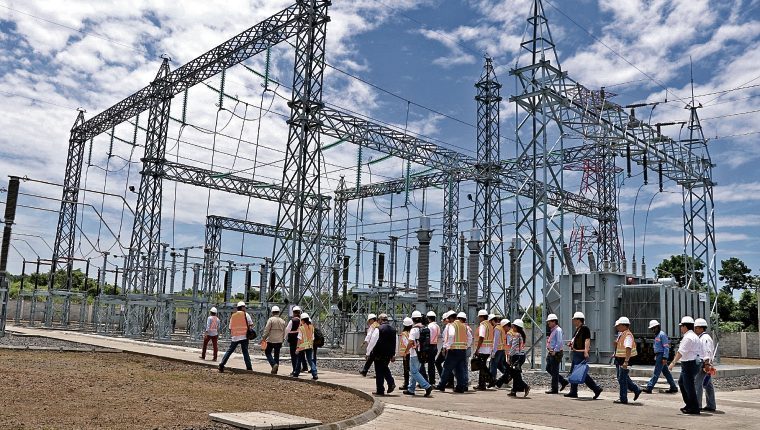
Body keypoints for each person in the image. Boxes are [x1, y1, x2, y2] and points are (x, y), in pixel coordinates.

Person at [565, 311, 603, 399]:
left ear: (579, 320)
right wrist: (572, 344)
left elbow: (587, 340)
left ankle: (596, 388)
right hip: (576, 352)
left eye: (574, 319)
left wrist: (586, 351)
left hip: (580, 352)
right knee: (575, 372)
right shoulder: (578, 329)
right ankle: (573, 391)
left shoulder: (584, 328)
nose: (573, 321)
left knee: (580, 373)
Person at [668, 316, 701, 415]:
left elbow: (680, 352)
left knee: (689, 386)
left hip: (689, 364)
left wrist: (673, 363)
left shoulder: (688, 337)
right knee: (682, 383)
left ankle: (694, 408)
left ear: (685, 326)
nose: (681, 328)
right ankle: (689, 405)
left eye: (681, 326)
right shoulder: (694, 336)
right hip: (692, 363)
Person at [436, 311, 471, 393]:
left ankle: (441, 385)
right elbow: (470, 337)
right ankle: (460, 387)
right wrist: (466, 346)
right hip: (462, 351)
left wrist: (447, 346)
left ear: (451, 318)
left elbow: (451, 335)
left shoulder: (452, 325)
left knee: (446, 367)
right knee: (460, 369)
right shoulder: (464, 326)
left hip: (453, 350)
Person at [642, 319, 678, 394]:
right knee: (666, 372)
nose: (653, 330)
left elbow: (666, 347)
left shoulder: (662, 335)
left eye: (653, 328)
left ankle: (649, 387)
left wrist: (665, 357)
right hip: (659, 355)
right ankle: (673, 387)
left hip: (661, 356)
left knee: (656, 372)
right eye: (652, 329)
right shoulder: (657, 335)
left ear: (657, 327)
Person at [403, 312, 434, 396]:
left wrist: (406, 351)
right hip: (423, 353)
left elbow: (410, 342)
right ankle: (411, 389)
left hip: (415, 353)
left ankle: (426, 386)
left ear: (413, 319)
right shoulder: (424, 328)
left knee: (413, 371)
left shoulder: (414, 329)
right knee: (415, 371)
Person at [612, 317, 641, 404]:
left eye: (618, 325)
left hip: (625, 360)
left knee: (622, 379)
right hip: (619, 359)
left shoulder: (627, 335)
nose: (617, 327)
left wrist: (626, 361)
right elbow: (619, 346)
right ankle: (636, 389)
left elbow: (628, 348)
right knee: (622, 377)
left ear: (624, 325)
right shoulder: (622, 333)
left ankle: (623, 398)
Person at [366, 314, 397, 396]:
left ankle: (383, 388)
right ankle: (388, 384)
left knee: (379, 371)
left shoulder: (378, 329)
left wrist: (368, 353)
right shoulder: (393, 330)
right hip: (388, 354)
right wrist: (394, 354)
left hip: (379, 353)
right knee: (384, 368)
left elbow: (373, 341)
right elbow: (395, 342)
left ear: (380, 320)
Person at [218, 301, 253, 372]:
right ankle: (249, 367)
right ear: (242, 307)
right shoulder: (246, 314)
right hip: (244, 336)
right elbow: (251, 324)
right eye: (244, 307)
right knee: (245, 352)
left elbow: (230, 327)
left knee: (229, 351)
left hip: (235, 337)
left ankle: (222, 364)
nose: (245, 308)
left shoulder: (233, 316)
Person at [694, 318, 717, 412]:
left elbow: (707, 351)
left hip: (703, 364)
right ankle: (711, 405)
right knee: (708, 385)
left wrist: (706, 364)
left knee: (698, 384)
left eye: (696, 328)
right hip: (706, 364)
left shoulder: (704, 338)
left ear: (700, 328)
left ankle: (697, 405)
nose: (695, 330)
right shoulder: (704, 337)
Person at [506, 318, 530, 397]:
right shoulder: (522, 335)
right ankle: (514, 391)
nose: (512, 328)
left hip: (517, 356)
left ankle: (525, 386)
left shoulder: (516, 335)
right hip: (521, 356)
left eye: (513, 326)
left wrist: (509, 356)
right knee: (516, 373)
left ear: (517, 327)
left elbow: (513, 347)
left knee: (515, 374)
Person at [545, 313, 568, 394]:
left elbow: (559, 342)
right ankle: (562, 381)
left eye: (549, 322)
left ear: (554, 322)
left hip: (556, 352)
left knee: (554, 370)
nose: (548, 323)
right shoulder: (553, 330)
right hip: (551, 352)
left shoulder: (558, 330)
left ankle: (554, 389)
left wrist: (555, 351)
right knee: (548, 368)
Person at [262, 305, 286, 374]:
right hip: (279, 341)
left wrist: (264, 338)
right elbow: (284, 332)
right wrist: (283, 340)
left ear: (272, 312)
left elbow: (267, 330)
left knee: (267, 352)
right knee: (276, 355)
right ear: (278, 312)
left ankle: (273, 365)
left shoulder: (271, 320)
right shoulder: (283, 321)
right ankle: (275, 370)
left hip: (271, 340)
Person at [293, 312, 318, 380]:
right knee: (310, 360)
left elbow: (299, 338)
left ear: (303, 320)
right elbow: (313, 338)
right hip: (309, 345)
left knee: (299, 359)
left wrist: (297, 347)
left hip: (302, 346)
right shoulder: (312, 327)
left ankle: (296, 373)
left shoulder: (301, 328)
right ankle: (315, 374)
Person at [474, 309, 494, 390]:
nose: (479, 318)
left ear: (482, 317)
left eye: (479, 317)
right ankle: (482, 384)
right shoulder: (490, 325)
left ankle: (491, 380)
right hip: (488, 349)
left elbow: (481, 337)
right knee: (482, 366)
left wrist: (477, 349)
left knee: (482, 366)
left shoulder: (483, 325)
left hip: (482, 349)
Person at [284, 305, 303, 376]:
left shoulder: (292, 321)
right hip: (301, 339)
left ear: (293, 313)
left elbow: (287, 330)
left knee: (293, 355)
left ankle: (295, 369)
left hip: (293, 339)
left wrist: (284, 338)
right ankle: (298, 368)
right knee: (299, 354)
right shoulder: (302, 320)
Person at [494, 318, 512, 388]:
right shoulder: (511, 332)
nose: (503, 329)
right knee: (504, 367)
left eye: (504, 327)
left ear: (506, 326)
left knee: (508, 369)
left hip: (510, 354)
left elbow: (509, 345)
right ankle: (505, 381)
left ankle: (502, 382)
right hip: (505, 351)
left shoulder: (509, 333)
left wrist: (508, 357)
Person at [435, 311, 452, 380]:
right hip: (449, 347)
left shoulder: (448, 327)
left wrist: (444, 349)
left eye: (443, 320)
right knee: (449, 365)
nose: (443, 322)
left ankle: (445, 379)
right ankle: (448, 380)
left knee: (438, 362)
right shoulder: (451, 326)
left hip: (446, 347)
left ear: (446, 319)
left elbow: (446, 339)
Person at [426, 310, 440, 386]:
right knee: (432, 364)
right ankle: (432, 381)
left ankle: (430, 381)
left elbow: (428, 337)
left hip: (430, 346)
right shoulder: (437, 326)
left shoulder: (429, 326)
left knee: (429, 365)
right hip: (435, 346)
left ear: (428, 318)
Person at [399, 317, 413, 390]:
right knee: (412, 369)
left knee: (406, 369)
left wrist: (405, 353)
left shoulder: (404, 334)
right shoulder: (412, 332)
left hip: (407, 353)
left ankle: (406, 383)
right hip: (412, 353)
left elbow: (406, 343)